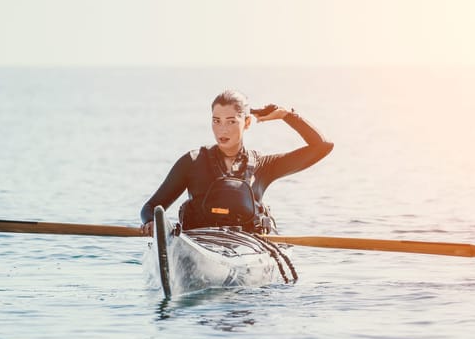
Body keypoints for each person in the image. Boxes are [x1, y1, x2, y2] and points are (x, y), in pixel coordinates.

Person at [139, 89, 333, 235]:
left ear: (247, 123)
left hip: (245, 252)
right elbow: (150, 208)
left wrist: (287, 116)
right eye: (216, 121)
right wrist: (151, 222)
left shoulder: (263, 165)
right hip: (197, 247)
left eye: (231, 121)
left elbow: (322, 146)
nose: (222, 130)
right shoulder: (193, 161)